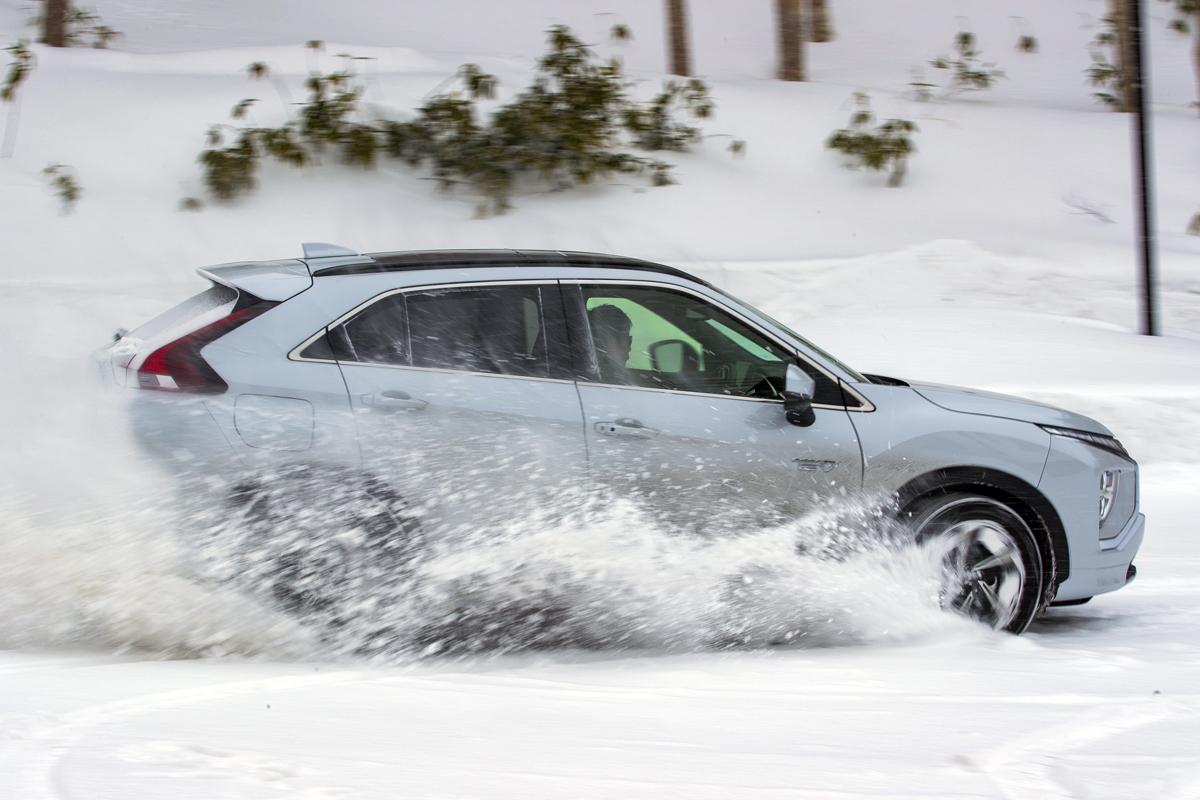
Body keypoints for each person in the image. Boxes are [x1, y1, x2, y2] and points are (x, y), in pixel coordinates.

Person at [587, 304, 633, 383]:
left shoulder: (588, 374)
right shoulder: (615, 383)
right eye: (629, 341)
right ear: (603, 343)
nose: (629, 349)